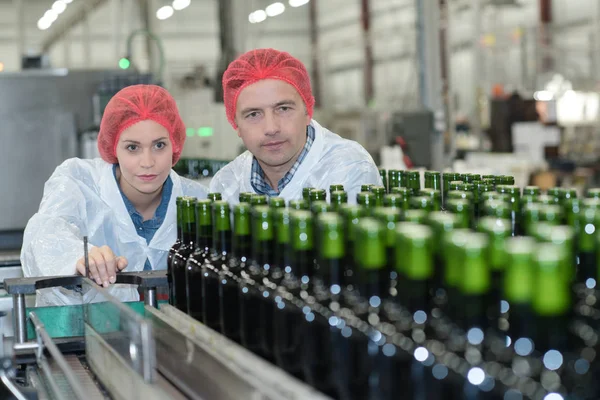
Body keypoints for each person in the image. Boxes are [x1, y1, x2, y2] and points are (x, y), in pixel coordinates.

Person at [20, 84, 209, 306]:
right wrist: (78, 258)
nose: (147, 162)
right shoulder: (80, 183)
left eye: (159, 145)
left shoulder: (198, 201)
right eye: (132, 148)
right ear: (113, 147)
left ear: (174, 144)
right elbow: (46, 233)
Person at [209, 48, 382, 203]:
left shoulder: (349, 171)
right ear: (236, 125)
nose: (271, 128)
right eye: (253, 114)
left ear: (307, 111)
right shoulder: (227, 185)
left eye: (283, 109)